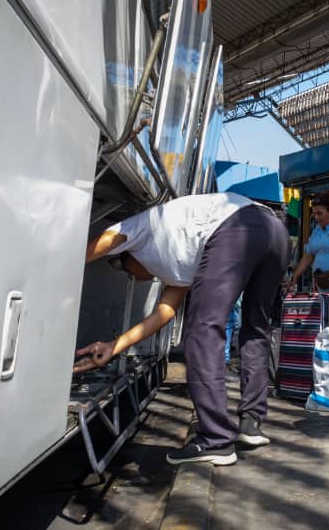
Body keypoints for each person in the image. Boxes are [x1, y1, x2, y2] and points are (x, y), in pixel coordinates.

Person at [76, 192, 289, 466]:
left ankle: (216, 439)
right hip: (275, 232)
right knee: (256, 327)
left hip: (237, 225)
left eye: (129, 273)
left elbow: (104, 241)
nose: (137, 280)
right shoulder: (176, 266)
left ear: (128, 258)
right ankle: (251, 422)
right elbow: (164, 313)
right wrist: (113, 347)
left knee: (202, 329)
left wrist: (58, 266)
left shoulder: (135, 230)